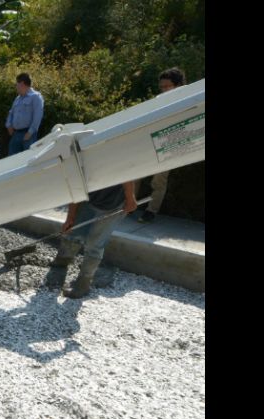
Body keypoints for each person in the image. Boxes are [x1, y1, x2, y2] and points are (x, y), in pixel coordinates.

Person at [50, 182, 138, 298]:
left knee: (95, 244)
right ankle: (63, 260)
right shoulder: (79, 175)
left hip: (114, 204)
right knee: (74, 232)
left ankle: (83, 283)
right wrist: (70, 218)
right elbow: (75, 192)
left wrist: (130, 198)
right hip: (88, 200)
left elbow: (127, 174)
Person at [137, 67, 186, 223]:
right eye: (162, 87)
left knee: (159, 180)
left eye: (167, 86)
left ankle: (151, 211)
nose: (164, 89)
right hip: (152, 142)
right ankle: (127, 205)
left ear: (178, 85)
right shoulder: (160, 100)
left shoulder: (188, 99)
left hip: (170, 144)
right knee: (135, 174)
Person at [4, 73, 44, 156]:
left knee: (28, 160)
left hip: (28, 135)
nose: (16, 87)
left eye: (17, 84)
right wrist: (8, 125)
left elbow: (38, 117)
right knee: (11, 160)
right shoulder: (18, 98)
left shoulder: (36, 97)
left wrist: (29, 133)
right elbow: (11, 113)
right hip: (16, 134)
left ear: (22, 84)